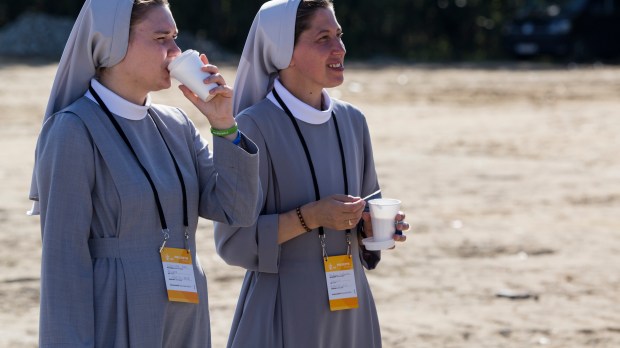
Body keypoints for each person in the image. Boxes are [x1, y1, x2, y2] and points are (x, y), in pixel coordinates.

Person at [27, 0, 261, 346]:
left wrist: (224, 126)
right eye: (161, 38)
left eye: (175, 37)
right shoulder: (73, 131)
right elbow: (64, 265)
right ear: (113, 43)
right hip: (116, 313)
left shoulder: (177, 125)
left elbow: (236, 210)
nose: (176, 51)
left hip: (186, 314)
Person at [213, 0, 409, 347]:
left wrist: (372, 228)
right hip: (283, 308)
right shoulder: (252, 126)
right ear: (283, 51)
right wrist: (312, 217)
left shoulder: (353, 121)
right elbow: (233, 243)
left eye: (339, 35)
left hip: (351, 310)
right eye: (323, 38)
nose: (340, 48)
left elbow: (369, 216)